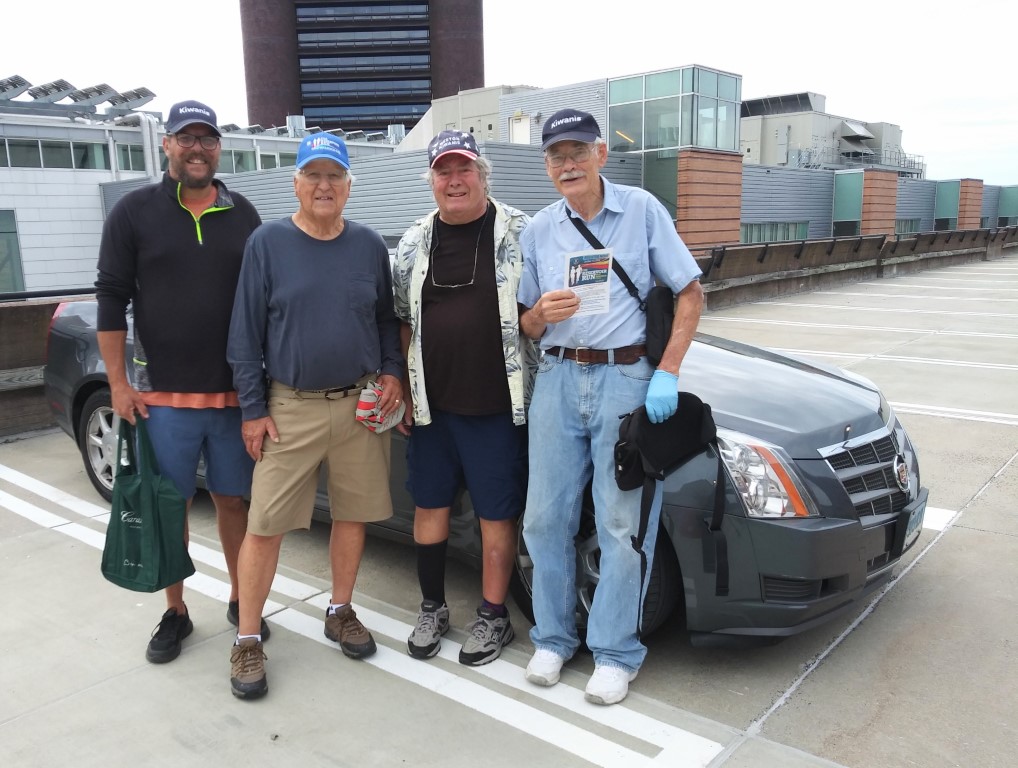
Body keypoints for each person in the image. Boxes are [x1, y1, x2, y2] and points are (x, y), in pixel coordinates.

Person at [517, 109, 705, 705]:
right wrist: (538, 316)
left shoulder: (643, 210)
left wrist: (667, 371)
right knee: (544, 519)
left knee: (623, 523)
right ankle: (552, 637)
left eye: (577, 151)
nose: (566, 163)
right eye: (555, 155)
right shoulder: (539, 230)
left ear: (601, 154)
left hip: (627, 379)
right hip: (558, 376)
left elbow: (691, 292)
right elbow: (523, 321)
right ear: (546, 165)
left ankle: (616, 651)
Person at [226, 133, 403, 699]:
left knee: (353, 515)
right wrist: (252, 410)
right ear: (296, 183)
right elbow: (244, 334)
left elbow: (384, 321)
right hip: (288, 408)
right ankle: (248, 639)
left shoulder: (369, 245)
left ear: (350, 186)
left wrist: (393, 374)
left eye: (335, 176)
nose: (324, 186)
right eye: (314, 175)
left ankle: (340, 609)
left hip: (360, 406)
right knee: (265, 525)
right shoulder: (268, 242)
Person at [95, 99, 265, 665]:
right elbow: (111, 299)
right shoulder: (133, 212)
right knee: (169, 508)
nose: (197, 148)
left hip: (234, 397)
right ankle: (176, 611)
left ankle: (244, 604)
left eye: (207, 139)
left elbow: (264, 302)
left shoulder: (244, 213)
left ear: (219, 148)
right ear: (167, 145)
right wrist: (119, 384)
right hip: (161, 399)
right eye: (185, 138)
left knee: (234, 504)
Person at [392, 131, 538, 666]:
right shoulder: (412, 243)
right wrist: (406, 390)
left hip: (500, 408)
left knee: (496, 516)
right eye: (443, 171)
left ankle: (494, 617)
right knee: (429, 509)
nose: (454, 180)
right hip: (433, 408)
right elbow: (402, 321)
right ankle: (433, 607)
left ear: (483, 175)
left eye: (464, 170)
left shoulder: (523, 232)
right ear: (431, 179)